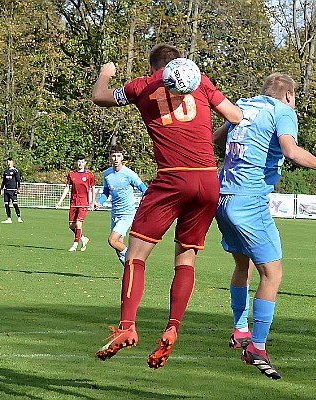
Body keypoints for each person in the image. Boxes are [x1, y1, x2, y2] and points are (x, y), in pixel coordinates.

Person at [92, 43, 243, 369]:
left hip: (173, 179)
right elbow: (235, 116)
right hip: (207, 181)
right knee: (185, 258)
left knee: (135, 256)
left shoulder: (143, 85)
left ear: (154, 67)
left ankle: (127, 326)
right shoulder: (200, 81)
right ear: (182, 64)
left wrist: (106, 74)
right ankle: (172, 327)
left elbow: (100, 97)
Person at [213, 73, 316, 379]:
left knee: (244, 266)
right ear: (289, 96)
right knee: (273, 273)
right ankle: (257, 346)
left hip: (222, 196)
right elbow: (291, 151)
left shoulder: (244, 106)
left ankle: (240, 330)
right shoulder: (283, 111)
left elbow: (214, 140)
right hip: (250, 201)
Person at [95, 144, 147, 266]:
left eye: (118, 156)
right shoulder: (107, 174)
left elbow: (144, 189)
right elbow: (106, 192)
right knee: (118, 248)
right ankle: (129, 272)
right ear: (110, 157)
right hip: (115, 213)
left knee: (112, 240)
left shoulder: (129, 174)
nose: (116, 158)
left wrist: (145, 203)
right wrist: (99, 202)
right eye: (114, 156)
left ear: (122, 157)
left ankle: (135, 260)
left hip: (127, 214)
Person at [55, 154, 96, 252]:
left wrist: (93, 202)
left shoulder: (89, 175)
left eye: (82, 162)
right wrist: (60, 201)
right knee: (71, 226)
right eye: (78, 162)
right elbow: (67, 188)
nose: (80, 164)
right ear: (76, 163)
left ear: (85, 163)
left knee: (78, 224)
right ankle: (83, 238)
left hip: (83, 203)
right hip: (73, 202)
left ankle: (74, 245)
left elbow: (93, 188)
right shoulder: (71, 174)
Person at [0, 158, 23, 224]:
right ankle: (9, 218)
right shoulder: (6, 171)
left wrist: (18, 188)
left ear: (12, 163)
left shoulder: (15, 171)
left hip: (13, 190)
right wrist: (1, 189)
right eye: (8, 162)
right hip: (6, 190)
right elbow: (3, 181)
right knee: (6, 204)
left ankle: (19, 217)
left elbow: (18, 180)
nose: (9, 164)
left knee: (15, 204)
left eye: (10, 162)